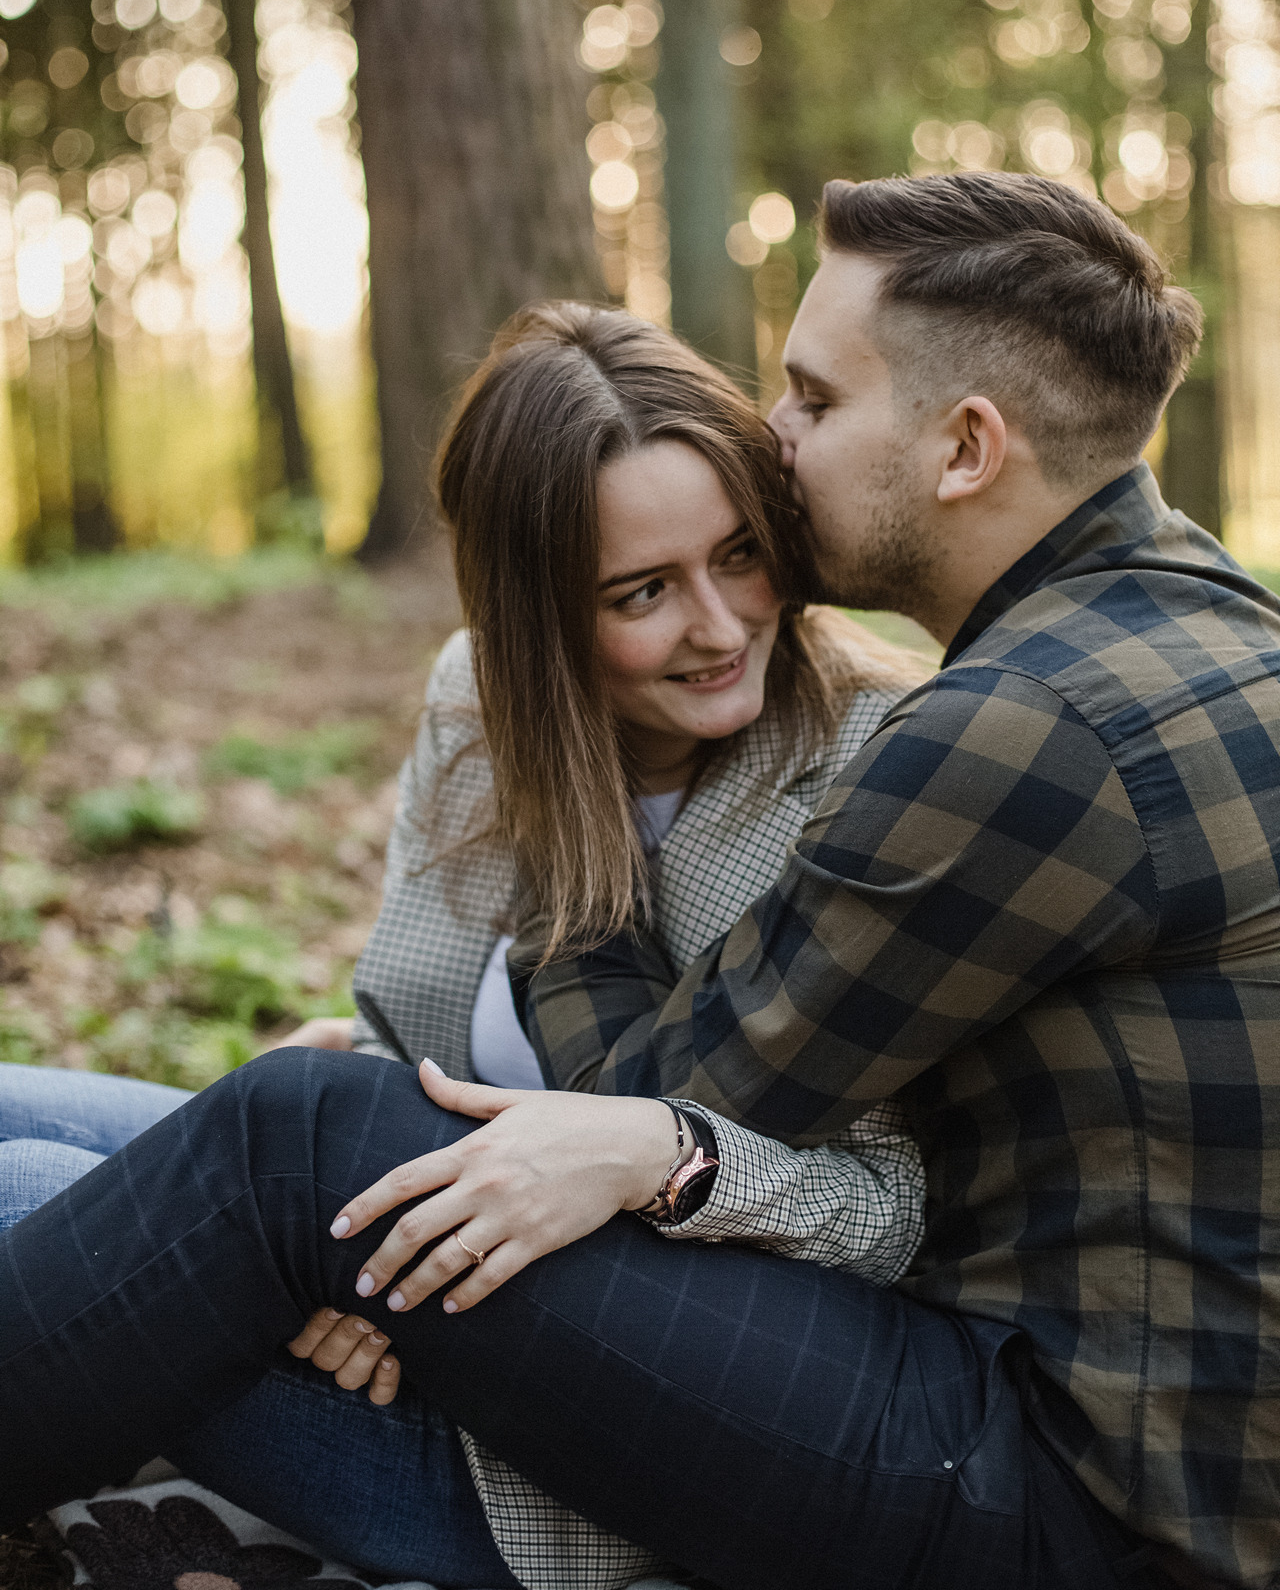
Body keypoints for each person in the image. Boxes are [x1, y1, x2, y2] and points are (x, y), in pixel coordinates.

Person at [2, 172, 1272, 1590]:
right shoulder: (1196, 630)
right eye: (635, 590)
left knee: (213, 1156)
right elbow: (452, 1036)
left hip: (1058, 1484)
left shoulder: (1007, 733)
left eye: (810, 398)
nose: (774, 440)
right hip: (1098, 1434)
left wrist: (576, 816)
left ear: (966, 447)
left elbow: (663, 1097)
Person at [0, 303, 928, 1590]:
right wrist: (328, 1278)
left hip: (547, 1455)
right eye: (642, 593)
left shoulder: (876, 764)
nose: (719, 626)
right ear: (534, 613)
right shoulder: (475, 699)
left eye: (742, 556)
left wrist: (653, 1163)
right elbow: (401, 1027)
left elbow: (894, 1220)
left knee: (27, 1194)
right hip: (364, 1267)